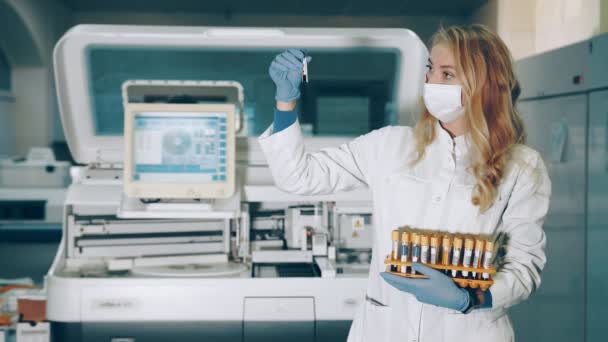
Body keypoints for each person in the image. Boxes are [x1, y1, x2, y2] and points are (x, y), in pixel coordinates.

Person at [259, 24, 551, 342]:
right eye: (430, 69)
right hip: (386, 328)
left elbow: (524, 267)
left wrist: (470, 299)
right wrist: (285, 104)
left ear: (484, 85)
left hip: (471, 331)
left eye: (447, 74)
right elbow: (298, 177)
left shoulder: (522, 166)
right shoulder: (390, 145)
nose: (431, 80)